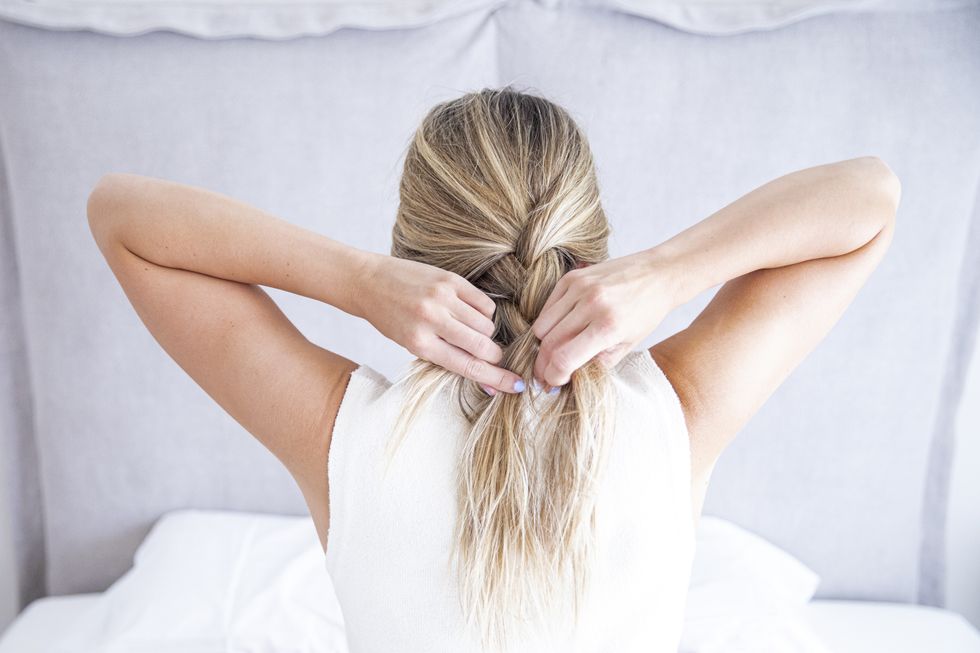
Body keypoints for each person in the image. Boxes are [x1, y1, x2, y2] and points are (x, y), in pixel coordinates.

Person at [85, 86, 900, 652]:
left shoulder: (341, 433)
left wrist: (355, 280)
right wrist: (669, 272)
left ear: (414, 252)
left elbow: (120, 215)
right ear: (593, 246)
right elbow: (871, 198)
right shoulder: (676, 411)